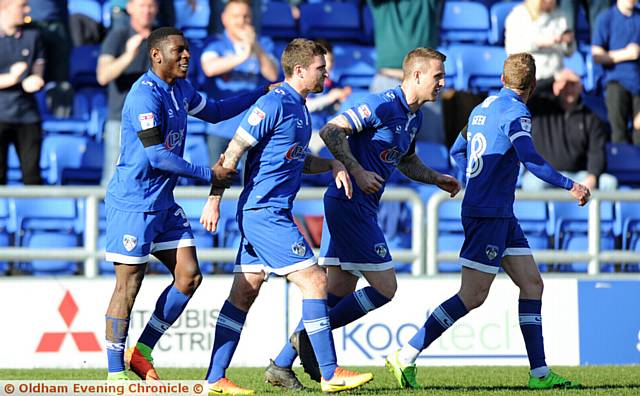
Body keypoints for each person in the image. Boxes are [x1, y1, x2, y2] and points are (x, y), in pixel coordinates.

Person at [384, 53, 591, 390]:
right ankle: (406, 354)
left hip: (498, 212)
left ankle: (539, 374)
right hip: (488, 213)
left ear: (501, 78)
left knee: (532, 284)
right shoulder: (517, 113)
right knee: (472, 295)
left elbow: (456, 149)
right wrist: (572, 184)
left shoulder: (482, 108)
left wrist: (470, 180)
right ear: (533, 85)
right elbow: (530, 159)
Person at [264, 47, 462, 390]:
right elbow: (330, 130)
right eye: (438, 76)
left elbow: (406, 160)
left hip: (358, 207)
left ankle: (282, 364)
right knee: (386, 289)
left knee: (337, 293)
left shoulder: (414, 117)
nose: (443, 83)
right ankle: (309, 339)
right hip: (349, 204)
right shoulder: (382, 103)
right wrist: (355, 168)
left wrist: (436, 177)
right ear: (416, 75)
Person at [199, 38, 373, 395]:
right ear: (299, 70)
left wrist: (332, 163)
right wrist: (214, 200)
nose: (327, 73)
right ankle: (328, 372)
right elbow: (234, 149)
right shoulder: (273, 103)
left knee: (243, 294)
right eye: (321, 69)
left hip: (268, 213)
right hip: (265, 214)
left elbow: (298, 159)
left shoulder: (301, 107)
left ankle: (215, 377)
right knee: (315, 281)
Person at [103, 26, 269, 381]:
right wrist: (208, 172)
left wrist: (262, 92)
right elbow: (157, 157)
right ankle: (114, 374)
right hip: (133, 203)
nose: (186, 56)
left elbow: (218, 110)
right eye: (178, 50)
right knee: (128, 285)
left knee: (189, 275)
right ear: (156, 54)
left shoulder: (181, 89)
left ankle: (141, 351)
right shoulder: (143, 96)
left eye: (188, 50)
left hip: (163, 201)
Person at [200, 0, 279, 168]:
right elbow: (209, 68)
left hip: (253, 126)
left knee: (250, 182)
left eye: (246, 16)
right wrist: (243, 56)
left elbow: (272, 73)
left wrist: (254, 46)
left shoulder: (264, 44)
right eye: (236, 16)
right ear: (224, 19)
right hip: (219, 127)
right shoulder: (215, 43)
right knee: (216, 182)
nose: (241, 21)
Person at [523, 68, 618, 191]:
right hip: (543, 174)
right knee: (533, 184)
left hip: (577, 175)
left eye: (573, 85)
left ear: (580, 87)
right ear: (555, 87)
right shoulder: (541, 107)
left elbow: (596, 151)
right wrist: (555, 77)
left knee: (609, 183)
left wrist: (592, 176)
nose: (569, 89)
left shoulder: (590, 118)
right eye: (564, 85)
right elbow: (526, 93)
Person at [366, 0, 445, 144]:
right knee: (378, 146)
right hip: (387, 80)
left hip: (424, 82)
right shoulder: (385, 5)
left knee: (431, 150)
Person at [97, 0, 158, 185]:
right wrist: (128, 55)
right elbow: (103, 75)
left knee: (153, 177)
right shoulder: (118, 35)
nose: (146, 11)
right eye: (142, 5)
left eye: (151, 6)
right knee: (114, 175)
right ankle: (105, 215)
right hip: (121, 118)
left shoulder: (162, 38)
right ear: (130, 7)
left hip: (155, 117)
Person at [0, 0, 45, 185]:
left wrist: (35, 81)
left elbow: (37, 74)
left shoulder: (33, 35)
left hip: (27, 116)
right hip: (1, 115)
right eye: (22, 5)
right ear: (4, 7)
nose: (27, 10)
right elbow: (16, 77)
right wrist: (12, 78)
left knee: (32, 176)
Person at [591, 0, 640, 145]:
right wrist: (626, 54)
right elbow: (597, 56)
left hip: (638, 84)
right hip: (616, 82)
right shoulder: (606, 18)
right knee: (619, 134)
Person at [505, 0, 576, 83]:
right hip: (531, 76)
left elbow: (569, 52)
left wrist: (569, 42)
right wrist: (540, 43)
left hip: (557, 76)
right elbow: (512, 49)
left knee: (574, 83)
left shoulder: (560, 15)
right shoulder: (519, 14)